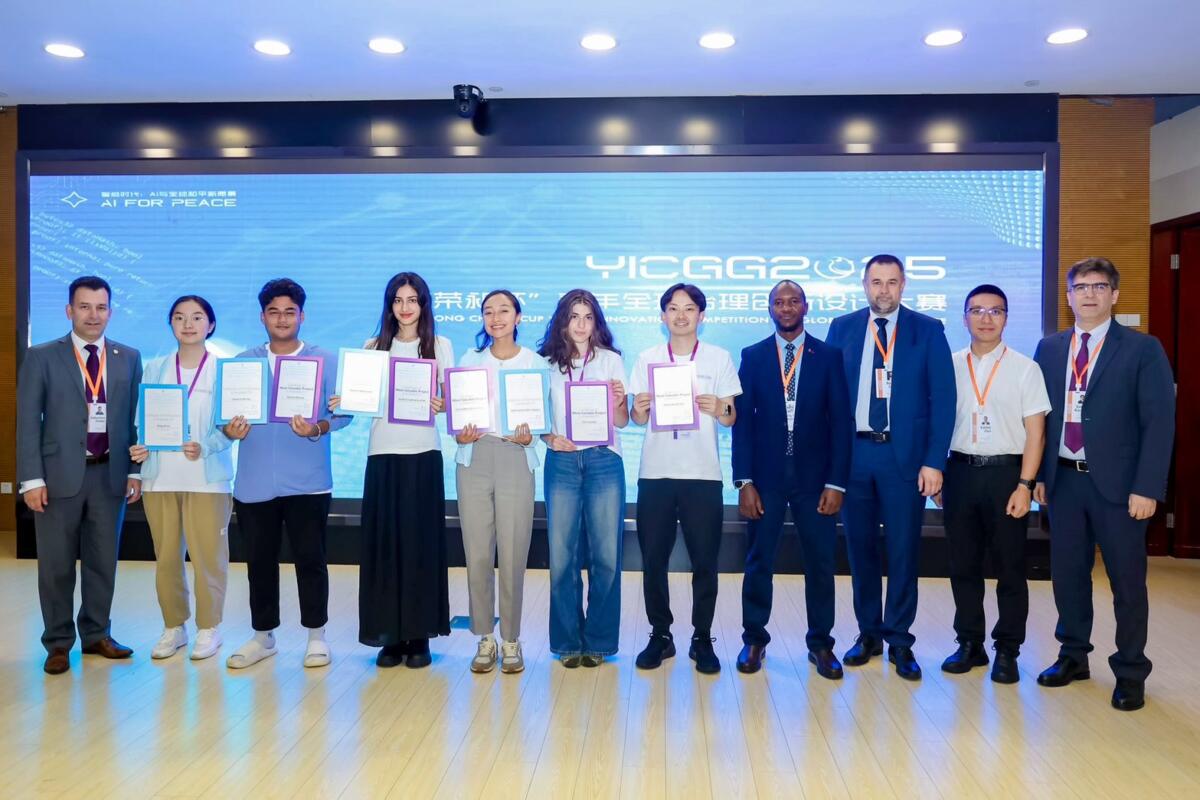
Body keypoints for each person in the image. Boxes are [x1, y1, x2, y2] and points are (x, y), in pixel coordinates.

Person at [1032, 257, 1175, 711]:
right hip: (1064, 482)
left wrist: (1148, 487)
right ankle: (1073, 656)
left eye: (1098, 286)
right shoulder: (1050, 348)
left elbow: (1158, 423)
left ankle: (1130, 670)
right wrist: (1039, 476)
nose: (1089, 294)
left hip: (1120, 487)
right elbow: (1039, 418)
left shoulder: (1142, 348)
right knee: (1068, 576)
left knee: (1127, 583)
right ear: (1068, 296)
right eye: (1080, 287)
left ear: (1114, 294)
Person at [825, 254, 955, 681]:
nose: (884, 290)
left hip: (905, 459)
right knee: (860, 550)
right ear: (864, 285)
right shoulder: (842, 328)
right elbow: (830, 397)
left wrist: (934, 461)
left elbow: (944, 401)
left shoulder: (928, 330)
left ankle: (899, 639)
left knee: (903, 550)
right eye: (876, 282)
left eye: (892, 282)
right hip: (855, 456)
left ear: (904, 285)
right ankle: (869, 634)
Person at [17, 275, 143, 674]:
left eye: (101, 307)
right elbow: (27, 422)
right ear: (69, 310)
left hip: (110, 476)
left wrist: (135, 470)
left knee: (102, 561)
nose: (93, 315)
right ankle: (57, 642)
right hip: (56, 479)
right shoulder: (41, 356)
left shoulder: (128, 357)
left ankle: (96, 634)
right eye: (85, 306)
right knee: (55, 566)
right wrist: (31, 479)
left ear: (110, 312)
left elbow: (134, 419)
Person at [222, 278, 350, 670]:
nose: (282, 319)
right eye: (274, 312)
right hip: (254, 482)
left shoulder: (324, 360)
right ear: (262, 317)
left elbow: (343, 414)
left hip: (308, 481)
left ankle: (316, 636)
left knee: (311, 559)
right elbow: (224, 419)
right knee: (259, 562)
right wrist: (230, 430)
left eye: (289, 312)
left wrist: (317, 428)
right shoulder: (242, 363)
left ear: (302, 316)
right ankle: (263, 636)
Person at [732, 280, 852, 679]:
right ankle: (754, 639)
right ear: (770, 308)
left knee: (820, 562)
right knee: (758, 560)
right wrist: (744, 481)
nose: (786, 308)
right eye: (778, 302)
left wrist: (836, 483)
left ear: (805, 306)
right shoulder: (752, 356)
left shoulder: (829, 356)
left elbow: (842, 423)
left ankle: (821, 644)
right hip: (765, 479)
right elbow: (743, 425)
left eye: (793, 301)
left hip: (815, 481)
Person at [934, 285, 1049, 683]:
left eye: (995, 311)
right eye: (977, 311)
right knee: (963, 565)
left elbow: (1036, 434)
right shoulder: (948, 365)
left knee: (1010, 567)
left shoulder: (1025, 368)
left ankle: (1008, 649)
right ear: (964, 317)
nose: (986, 318)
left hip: (1006, 476)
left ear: (1006, 318)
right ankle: (970, 643)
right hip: (959, 472)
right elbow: (935, 425)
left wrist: (1025, 484)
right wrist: (937, 473)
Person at [340, 272, 454, 669]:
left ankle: (419, 635)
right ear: (389, 306)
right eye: (398, 300)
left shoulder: (440, 345)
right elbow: (360, 402)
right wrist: (345, 399)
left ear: (424, 305)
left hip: (423, 452)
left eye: (412, 300)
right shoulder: (372, 348)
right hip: (383, 454)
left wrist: (445, 404)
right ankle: (389, 635)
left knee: (421, 546)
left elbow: (453, 400)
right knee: (385, 547)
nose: (405, 307)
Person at [630, 283, 741, 674]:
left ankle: (702, 637)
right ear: (662, 316)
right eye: (673, 309)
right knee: (653, 560)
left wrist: (720, 407)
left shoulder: (718, 358)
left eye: (689, 308)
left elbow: (731, 417)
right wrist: (640, 408)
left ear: (701, 315)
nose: (681, 315)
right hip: (656, 474)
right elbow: (636, 418)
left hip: (702, 475)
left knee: (705, 561)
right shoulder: (647, 358)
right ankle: (660, 635)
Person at [130, 295, 235, 661]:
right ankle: (174, 627)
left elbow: (231, 427)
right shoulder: (155, 368)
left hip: (207, 480)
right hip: (160, 479)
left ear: (211, 324)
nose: (188, 324)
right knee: (166, 558)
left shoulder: (223, 370)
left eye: (197, 317)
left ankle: (209, 628)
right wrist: (141, 447)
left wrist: (205, 446)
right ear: (171, 324)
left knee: (209, 559)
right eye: (179, 317)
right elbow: (142, 420)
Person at [539, 289, 629, 668]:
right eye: (574, 316)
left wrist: (619, 401)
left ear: (596, 323)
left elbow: (622, 421)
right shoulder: (545, 364)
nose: (580, 324)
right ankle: (567, 642)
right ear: (563, 320)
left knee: (606, 557)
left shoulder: (611, 361)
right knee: (562, 558)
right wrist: (549, 438)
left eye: (588, 317)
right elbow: (536, 416)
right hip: (562, 461)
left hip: (604, 460)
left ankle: (600, 642)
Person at [455, 289, 542, 675]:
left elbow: (545, 419)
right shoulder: (469, 361)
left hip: (515, 456)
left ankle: (511, 639)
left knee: (512, 553)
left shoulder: (536, 362)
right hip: (474, 457)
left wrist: (532, 435)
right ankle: (484, 638)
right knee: (476, 553)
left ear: (518, 317)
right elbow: (457, 417)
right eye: (488, 311)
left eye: (504, 310)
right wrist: (459, 433)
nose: (496, 318)